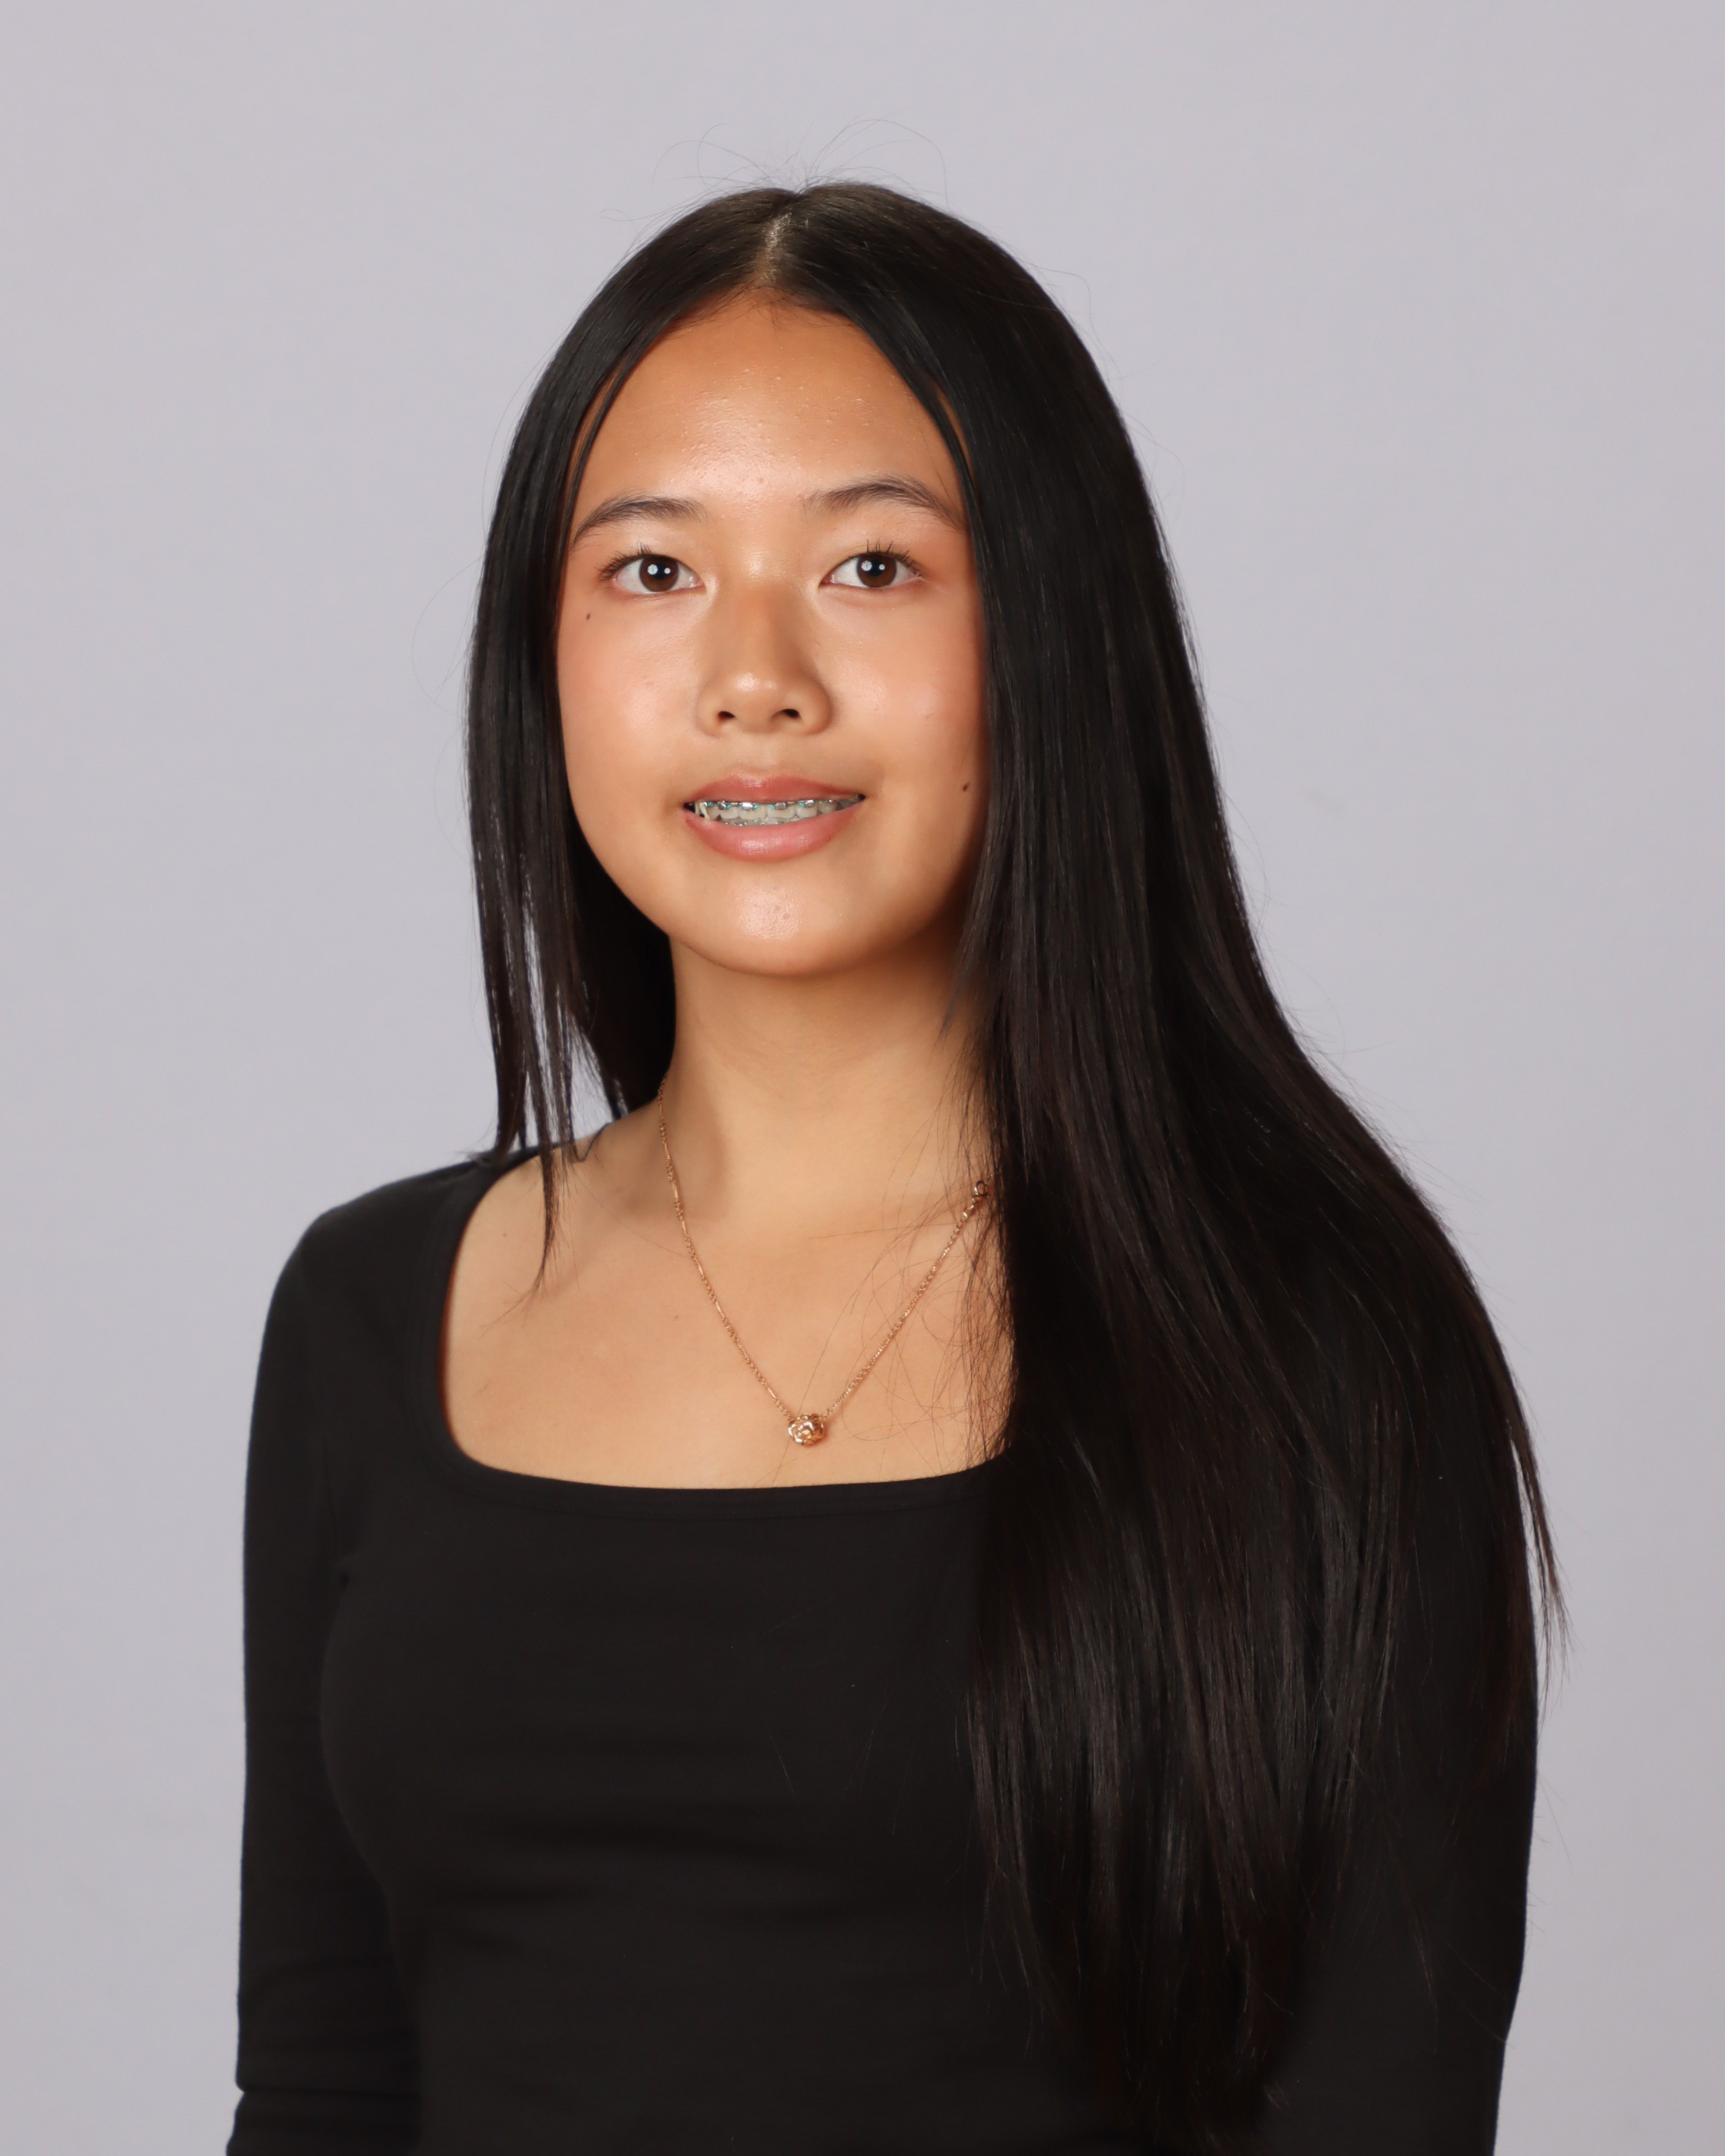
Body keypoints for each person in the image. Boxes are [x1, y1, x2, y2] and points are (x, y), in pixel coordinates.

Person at [227, 183, 1556, 2155]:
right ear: (543, 658)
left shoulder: (1316, 1347)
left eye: (871, 565)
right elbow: (324, 2095)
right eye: (652, 570)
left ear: (1052, 635)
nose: (754, 674)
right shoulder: (367, 1313)